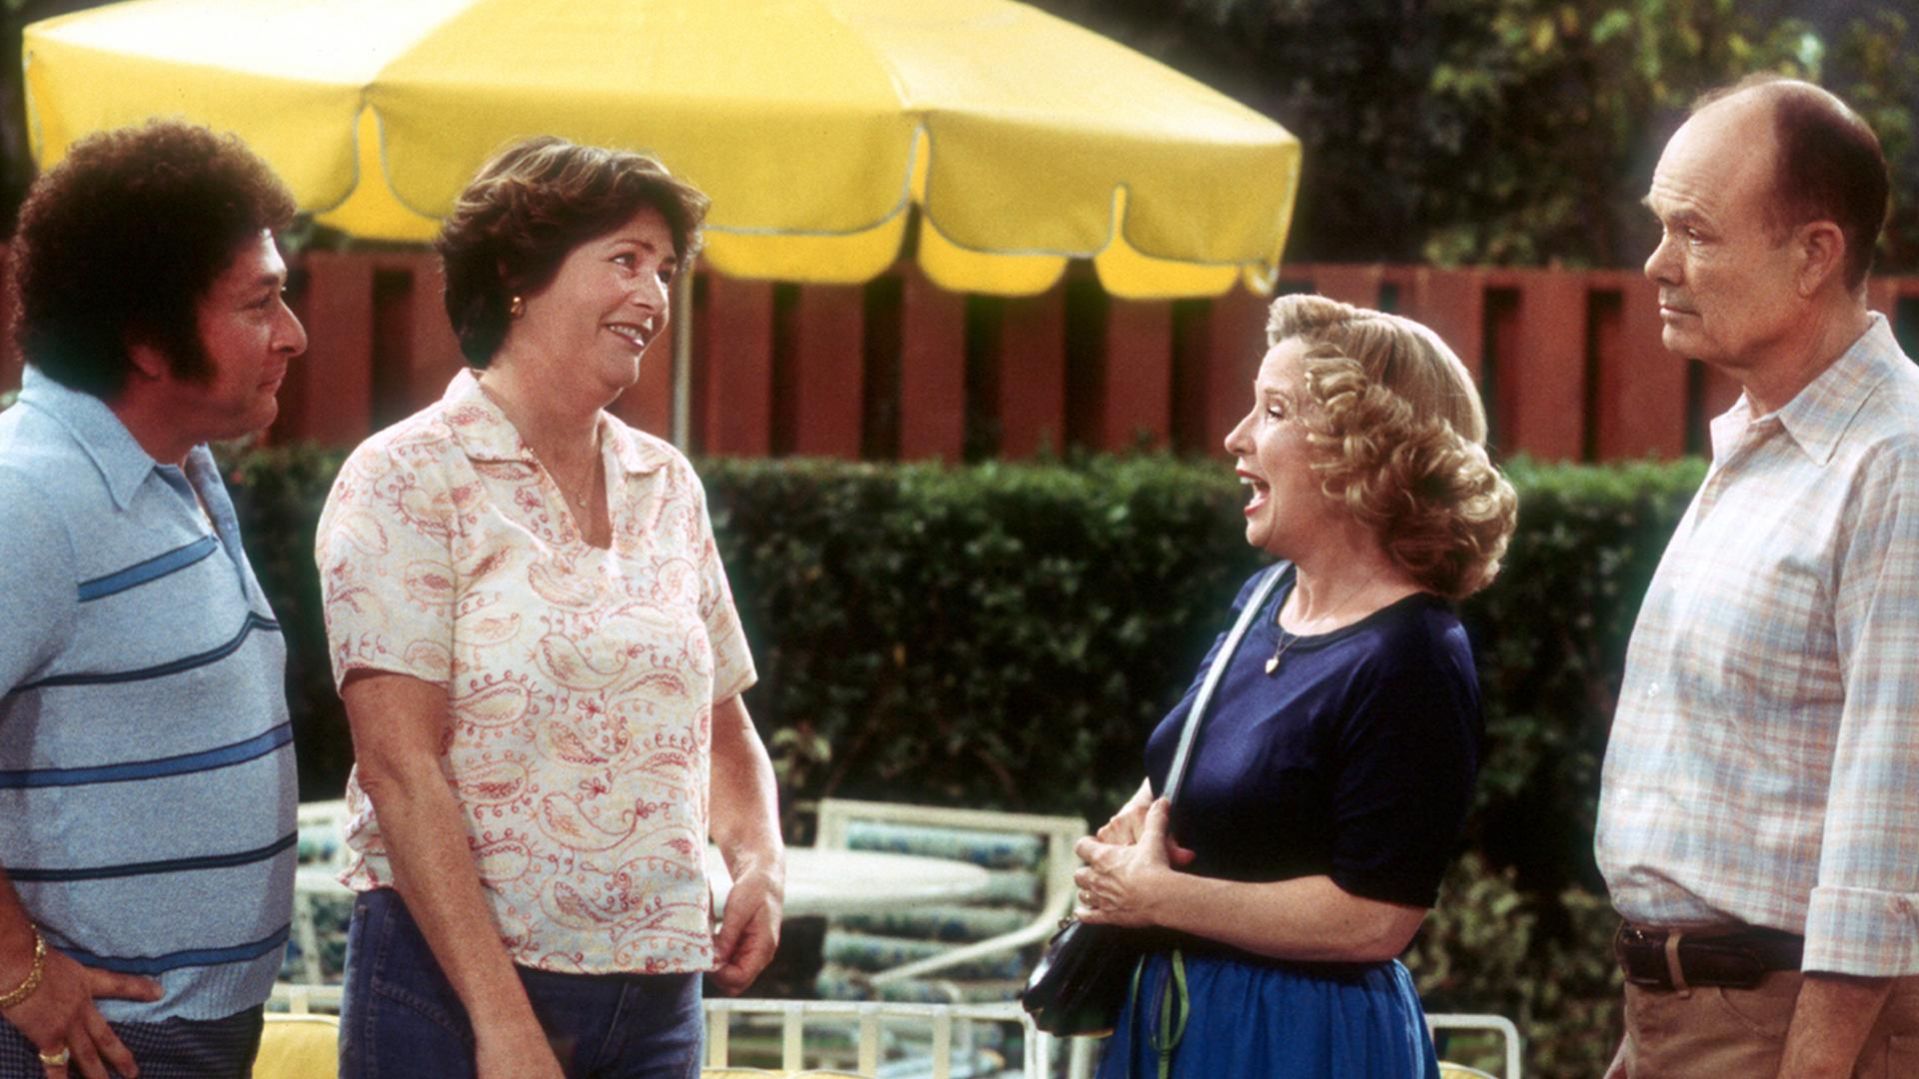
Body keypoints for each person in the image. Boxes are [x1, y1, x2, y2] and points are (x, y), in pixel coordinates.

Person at [314, 136, 784, 1079]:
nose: (654, 296)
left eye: (664, 270)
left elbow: (721, 723)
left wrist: (760, 859)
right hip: (451, 992)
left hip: (657, 998)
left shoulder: (666, 483)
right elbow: (400, 769)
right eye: (625, 260)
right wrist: (502, 1022)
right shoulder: (406, 475)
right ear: (516, 277)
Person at [1071, 294, 1517, 1077]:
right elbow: (1211, 761)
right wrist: (1136, 829)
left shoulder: (1413, 654)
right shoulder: (1264, 598)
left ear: (1365, 453)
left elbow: (1375, 917)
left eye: (1273, 410)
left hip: (1299, 1036)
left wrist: (1158, 898)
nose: (1236, 436)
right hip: (1178, 1012)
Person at [1594, 76, 1919, 1077]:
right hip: (1688, 1018)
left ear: (1813, 254)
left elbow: (1889, 834)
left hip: (1791, 1031)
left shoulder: (1894, 462)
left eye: (1693, 231)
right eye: (1659, 226)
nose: (1656, 263)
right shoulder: (1767, 444)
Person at [0, 121, 306, 1078]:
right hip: (86, 1043)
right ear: (143, 340)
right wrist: (15, 967)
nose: (293, 334)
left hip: (173, 1031)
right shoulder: (30, 496)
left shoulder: (172, 466)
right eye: (260, 303)